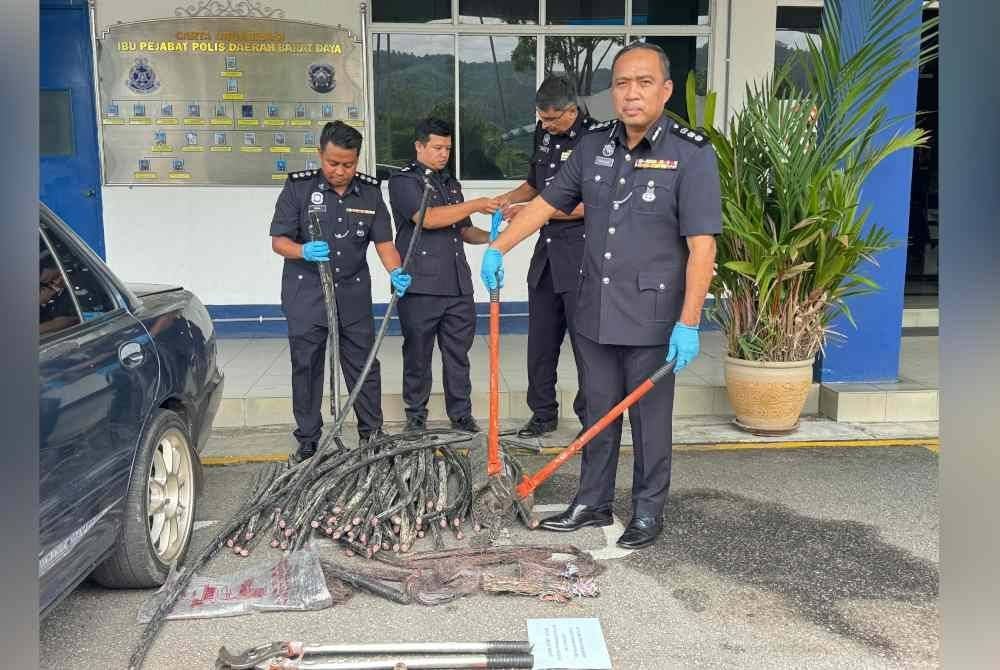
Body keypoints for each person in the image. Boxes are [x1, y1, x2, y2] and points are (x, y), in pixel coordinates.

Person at [479, 42, 721, 549]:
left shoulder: (691, 154)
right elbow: (545, 203)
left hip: (654, 318)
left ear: (665, 89)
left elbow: (702, 248)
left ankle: (648, 510)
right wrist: (498, 247)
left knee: (650, 421)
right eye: (622, 84)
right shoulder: (593, 146)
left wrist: (690, 322)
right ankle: (593, 500)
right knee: (599, 410)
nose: (631, 94)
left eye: (644, 82)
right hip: (595, 310)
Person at [270, 120, 412, 463]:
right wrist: (302, 251)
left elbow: (384, 243)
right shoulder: (298, 189)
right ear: (320, 155)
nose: (340, 170)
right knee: (306, 366)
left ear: (357, 159)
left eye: (347, 164)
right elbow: (279, 241)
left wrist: (397, 270)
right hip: (306, 293)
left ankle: (371, 434)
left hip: (352, 294)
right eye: (332, 163)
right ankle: (307, 438)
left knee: (363, 364)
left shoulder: (370, 192)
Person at [498, 74, 613, 439]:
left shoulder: (597, 140)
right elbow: (535, 184)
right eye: (541, 118)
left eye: (552, 118)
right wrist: (509, 200)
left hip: (580, 255)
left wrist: (535, 210)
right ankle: (542, 414)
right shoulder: (543, 134)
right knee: (541, 342)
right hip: (546, 254)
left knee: (585, 346)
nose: (545, 125)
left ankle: (589, 419)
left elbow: (591, 203)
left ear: (571, 110)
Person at [388, 118, 501, 434]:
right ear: (419, 146)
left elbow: (464, 230)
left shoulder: (450, 184)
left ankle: (461, 414)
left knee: (458, 355)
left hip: (457, 286)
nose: (443, 154)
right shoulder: (403, 182)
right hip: (421, 285)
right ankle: (416, 415)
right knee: (418, 354)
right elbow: (428, 218)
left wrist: (495, 236)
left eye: (448, 148)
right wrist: (478, 203)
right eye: (437, 147)